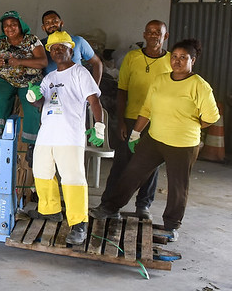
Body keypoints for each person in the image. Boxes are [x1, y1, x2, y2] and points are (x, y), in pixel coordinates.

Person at [90, 39, 219, 241]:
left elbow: (211, 118)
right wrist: (136, 133)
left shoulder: (200, 86)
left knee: (178, 186)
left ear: (192, 60)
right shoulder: (161, 80)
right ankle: (110, 207)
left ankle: (171, 225)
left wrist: (190, 125)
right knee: (132, 173)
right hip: (155, 139)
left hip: (183, 145)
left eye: (183, 58)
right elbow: (147, 110)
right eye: (174, 57)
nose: (177, 61)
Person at [26, 32, 104, 245]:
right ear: (50, 53)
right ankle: (50, 210)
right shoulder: (49, 78)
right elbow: (41, 103)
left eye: (62, 47)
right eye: (53, 48)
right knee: (42, 173)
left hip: (69, 135)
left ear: (71, 50)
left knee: (72, 179)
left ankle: (79, 224)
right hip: (46, 135)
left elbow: (94, 101)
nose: (57, 51)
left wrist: (99, 126)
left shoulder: (80, 73)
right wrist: (33, 95)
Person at [100, 20, 170, 220]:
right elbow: (122, 90)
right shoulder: (132, 57)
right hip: (131, 119)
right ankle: (109, 203)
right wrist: (121, 121)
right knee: (122, 162)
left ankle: (143, 205)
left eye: (158, 32)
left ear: (165, 36)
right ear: (144, 35)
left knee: (151, 166)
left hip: (157, 122)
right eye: (150, 32)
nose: (154, 35)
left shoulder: (171, 60)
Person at [0, 10, 47, 146]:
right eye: (6, 25)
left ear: (20, 25)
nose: (9, 28)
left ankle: (31, 144)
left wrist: (20, 62)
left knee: (32, 102)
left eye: (13, 24)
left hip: (30, 80)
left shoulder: (31, 40)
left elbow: (43, 62)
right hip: (5, 79)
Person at [40, 10, 102, 84]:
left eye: (55, 21)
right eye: (47, 23)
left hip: (77, 89)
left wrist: (95, 87)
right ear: (43, 27)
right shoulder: (40, 46)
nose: (52, 25)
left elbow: (97, 63)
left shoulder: (78, 41)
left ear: (61, 23)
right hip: (52, 91)